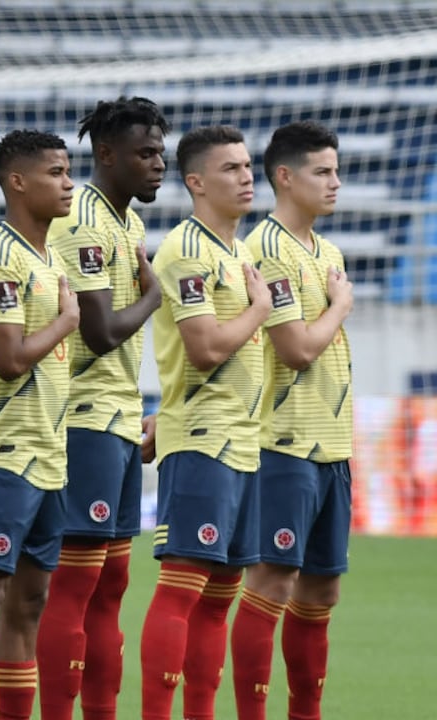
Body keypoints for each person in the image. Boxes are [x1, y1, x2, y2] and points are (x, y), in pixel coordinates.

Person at [36, 97, 167, 720]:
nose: (158, 164)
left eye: (162, 152)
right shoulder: (80, 219)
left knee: (112, 583)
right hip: (82, 417)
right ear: (107, 155)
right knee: (76, 582)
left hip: (116, 416)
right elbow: (100, 332)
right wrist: (156, 295)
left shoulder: (126, 225)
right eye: (145, 154)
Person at [140, 125, 271, 720]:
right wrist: (262, 309)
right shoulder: (185, 250)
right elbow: (205, 348)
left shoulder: (239, 252)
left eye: (248, 166)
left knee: (220, 601)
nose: (246, 177)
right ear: (195, 182)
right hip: (203, 440)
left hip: (243, 443)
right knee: (183, 589)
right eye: (230, 169)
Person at [0, 130, 80, 720]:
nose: (69, 183)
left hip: (47, 456)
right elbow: (7, 360)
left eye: (69, 171)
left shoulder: (47, 256)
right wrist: (68, 319)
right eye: (56, 172)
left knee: (29, 602)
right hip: (3, 454)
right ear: (18, 181)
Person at [232, 120, 354, 720]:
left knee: (322, 591)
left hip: (331, 447)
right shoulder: (267, 250)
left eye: (336, 170)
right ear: (285, 176)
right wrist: (342, 306)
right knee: (272, 583)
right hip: (284, 446)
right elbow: (296, 349)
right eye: (322, 172)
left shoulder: (326, 251)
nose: (336, 183)